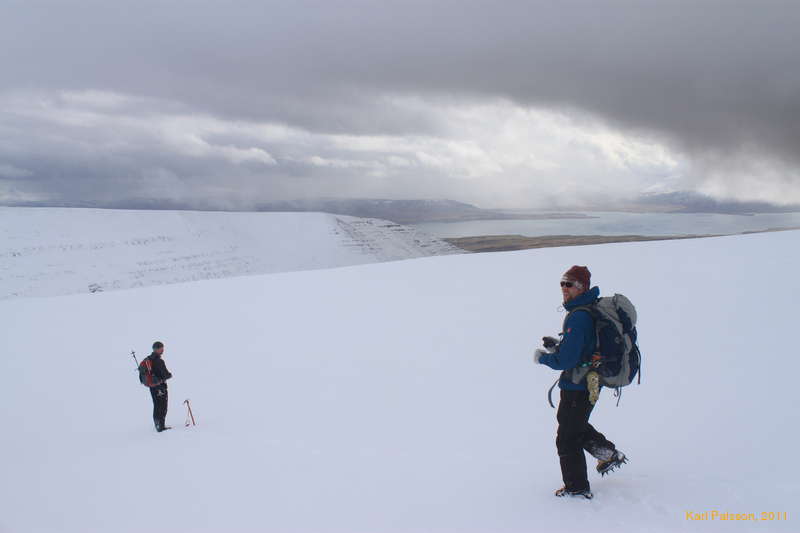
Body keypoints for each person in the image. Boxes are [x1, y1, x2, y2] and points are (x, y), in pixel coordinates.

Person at [533, 266, 626, 499]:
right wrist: (558, 345)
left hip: (579, 385)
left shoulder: (579, 315)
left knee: (567, 437)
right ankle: (607, 453)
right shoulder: (586, 310)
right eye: (562, 283)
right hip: (587, 382)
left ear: (582, 287)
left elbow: (567, 359)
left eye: (570, 284)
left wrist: (544, 357)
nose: (564, 289)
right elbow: (582, 348)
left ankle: (577, 488)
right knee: (571, 424)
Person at [145, 341, 173, 432]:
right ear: (156, 349)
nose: (163, 350)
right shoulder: (159, 361)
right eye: (161, 348)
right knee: (162, 406)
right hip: (160, 386)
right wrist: (169, 375)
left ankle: (158, 424)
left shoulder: (147, 360)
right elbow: (165, 374)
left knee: (156, 405)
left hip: (152, 387)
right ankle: (161, 426)